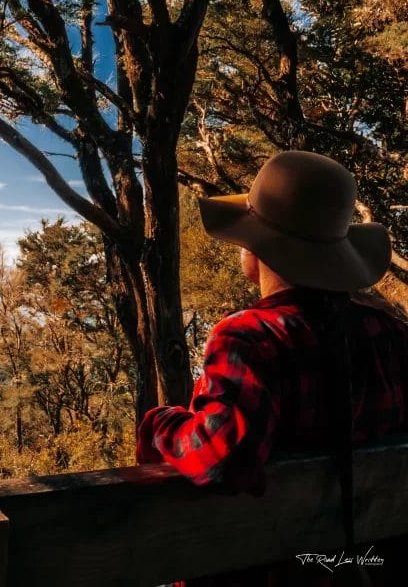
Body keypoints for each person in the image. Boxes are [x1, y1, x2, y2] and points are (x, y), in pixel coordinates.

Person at [137, 151, 408, 586]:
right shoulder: (390, 333)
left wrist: (157, 424)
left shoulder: (251, 339)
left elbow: (219, 459)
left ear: (257, 248)